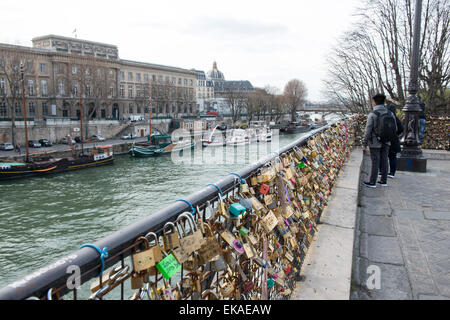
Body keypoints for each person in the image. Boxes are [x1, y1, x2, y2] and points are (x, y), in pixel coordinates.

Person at [362, 93, 397, 188]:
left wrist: (364, 143)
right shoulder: (390, 113)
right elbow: (395, 129)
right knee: (385, 160)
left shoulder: (373, 114)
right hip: (387, 141)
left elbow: (368, 130)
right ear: (384, 102)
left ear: (374, 103)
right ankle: (384, 181)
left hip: (374, 142)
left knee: (375, 161)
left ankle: (372, 182)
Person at [379, 104, 403, 178]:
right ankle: (392, 173)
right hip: (394, 139)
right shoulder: (396, 119)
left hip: (385, 139)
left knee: (383, 156)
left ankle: (381, 171)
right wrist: (395, 134)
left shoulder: (383, 117)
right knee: (393, 157)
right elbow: (401, 129)